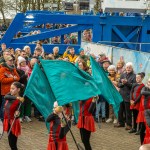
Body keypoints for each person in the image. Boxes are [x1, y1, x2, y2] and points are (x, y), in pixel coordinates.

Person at [3, 82, 24, 150]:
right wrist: (17, 97)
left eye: (13, 88)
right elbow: (5, 96)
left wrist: (17, 114)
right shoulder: (10, 95)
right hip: (7, 121)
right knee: (10, 143)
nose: (11, 90)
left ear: (18, 90)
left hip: (13, 123)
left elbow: (19, 112)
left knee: (13, 144)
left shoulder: (20, 101)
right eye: (10, 88)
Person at [115, 62, 136, 130]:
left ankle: (129, 125)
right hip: (121, 95)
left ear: (132, 68)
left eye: (130, 67)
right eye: (127, 67)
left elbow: (133, 86)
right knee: (120, 110)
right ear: (125, 68)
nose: (128, 69)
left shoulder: (134, 76)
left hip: (128, 96)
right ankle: (121, 123)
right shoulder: (123, 74)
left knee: (128, 112)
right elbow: (118, 84)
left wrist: (126, 83)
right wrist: (123, 83)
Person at [0, 55, 20, 121]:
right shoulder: (2, 69)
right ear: (6, 61)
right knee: (4, 106)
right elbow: (2, 80)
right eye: (10, 60)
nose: (12, 62)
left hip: (13, 92)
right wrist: (12, 78)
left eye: (12, 60)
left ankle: (10, 119)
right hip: (5, 91)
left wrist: (12, 78)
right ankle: (3, 119)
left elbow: (18, 78)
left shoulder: (13, 68)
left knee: (12, 106)